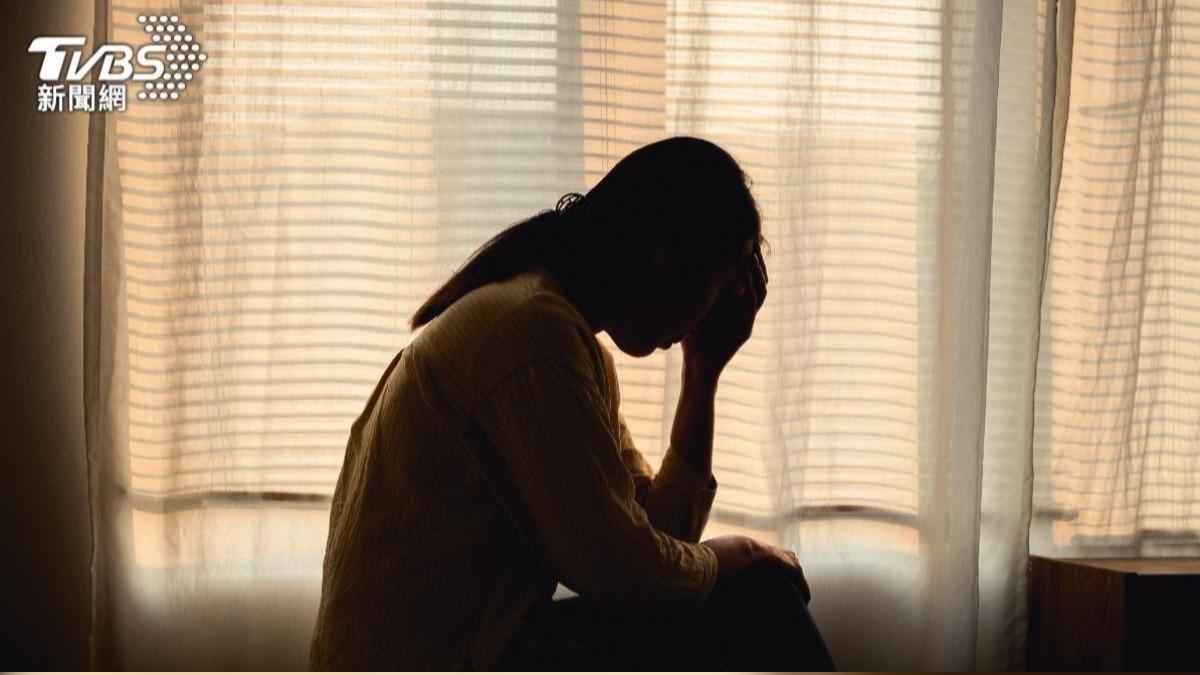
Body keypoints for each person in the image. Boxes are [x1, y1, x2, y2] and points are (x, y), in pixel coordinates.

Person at [308, 136, 836, 670]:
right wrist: (739, 556)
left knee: (750, 594)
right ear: (667, 251)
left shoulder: (562, 338)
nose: (713, 312)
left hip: (482, 650)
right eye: (720, 286)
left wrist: (702, 375)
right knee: (761, 595)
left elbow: (659, 543)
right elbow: (631, 577)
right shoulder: (533, 336)